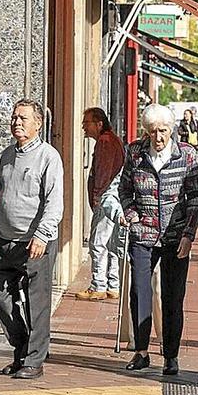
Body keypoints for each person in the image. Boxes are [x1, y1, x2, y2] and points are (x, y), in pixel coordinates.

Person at [0, 99, 64, 380]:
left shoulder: (48, 156)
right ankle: (22, 347)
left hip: (35, 243)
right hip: (5, 240)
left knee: (36, 302)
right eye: (14, 117)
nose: (17, 122)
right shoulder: (6, 156)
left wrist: (42, 234)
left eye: (23, 118)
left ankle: (34, 360)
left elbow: (55, 202)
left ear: (38, 124)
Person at [119, 103, 198, 376]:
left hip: (175, 235)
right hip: (143, 233)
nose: (158, 137)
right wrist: (131, 215)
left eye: (163, 131)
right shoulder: (135, 152)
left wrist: (189, 234)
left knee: (172, 296)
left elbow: (196, 198)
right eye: (153, 131)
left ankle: (171, 355)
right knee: (140, 292)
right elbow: (125, 190)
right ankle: (141, 351)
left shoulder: (187, 155)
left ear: (172, 129)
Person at [76, 107, 126, 301]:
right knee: (112, 243)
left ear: (99, 123)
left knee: (98, 242)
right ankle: (113, 285)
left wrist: (97, 196)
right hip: (113, 198)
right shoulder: (112, 140)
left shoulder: (105, 142)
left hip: (107, 199)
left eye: (86, 122)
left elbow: (103, 172)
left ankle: (98, 285)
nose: (83, 126)